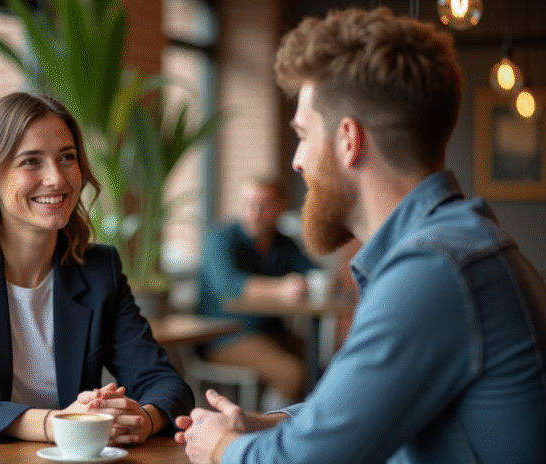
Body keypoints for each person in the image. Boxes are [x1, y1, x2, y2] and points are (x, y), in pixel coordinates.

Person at [175, 7, 546, 464]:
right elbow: (356, 414)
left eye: (303, 135)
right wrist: (267, 424)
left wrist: (222, 448)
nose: (297, 160)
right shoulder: (453, 246)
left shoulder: (433, 269)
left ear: (348, 140)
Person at [0, 92, 194, 444]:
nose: (57, 179)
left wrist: (143, 418)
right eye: (31, 162)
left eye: (67, 157)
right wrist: (56, 423)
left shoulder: (98, 270)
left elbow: (164, 381)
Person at [196, 176, 316, 407]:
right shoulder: (221, 238)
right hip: (223, 336)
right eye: (248, 205)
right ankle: (272, 432)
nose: (255, 212)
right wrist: (281, 289)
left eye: (265, 205)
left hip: (270, 332)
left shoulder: (284, 243)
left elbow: (312, 274)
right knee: (293, 373)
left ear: (281, 208)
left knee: (330, 365)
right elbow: (228, 286)